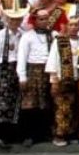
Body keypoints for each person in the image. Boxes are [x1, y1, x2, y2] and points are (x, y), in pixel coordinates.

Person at [0, 3, 24, 149]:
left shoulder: (23, 34)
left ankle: (11, 135)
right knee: (1, 104)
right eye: (12, 20)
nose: (15, 22)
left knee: (16, 103)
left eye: (18, 20)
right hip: (3, 69)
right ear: (7, 20)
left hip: (17, 69)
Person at [16, 9, 54, 146]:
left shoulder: (53, 35)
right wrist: (22, 76)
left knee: (46, 103)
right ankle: (28, 135)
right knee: (30, 104)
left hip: (49, 71)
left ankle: (43, 133)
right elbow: (22, 57)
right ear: (35, 21)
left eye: (46, 18)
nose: (44, 21)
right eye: (41, 19)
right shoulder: (28, 36)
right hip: (33, 70)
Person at [45, 13, 79, 146]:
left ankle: (72, 133)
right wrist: (54, 80)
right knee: (61, 108)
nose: (74, 27)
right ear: (66, 26)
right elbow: (52, 60)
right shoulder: (59, 40)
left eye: (76, 25)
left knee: (74, 107)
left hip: (78, 78)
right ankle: (59, 135)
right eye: (71, 25)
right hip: (62, 79)